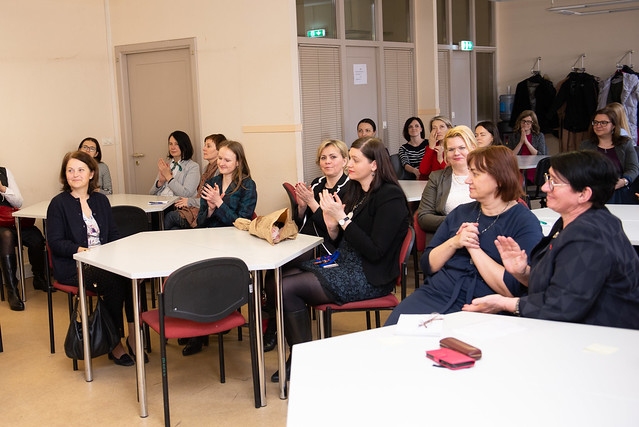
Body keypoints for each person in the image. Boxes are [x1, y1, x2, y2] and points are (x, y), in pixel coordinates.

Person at [271, 137, 410, 382]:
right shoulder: (358, 191)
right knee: (278, 277)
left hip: (370, 275)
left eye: (355, 160)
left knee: (286, 287)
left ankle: (302, 358)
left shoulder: (390, 197)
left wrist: (342, 219)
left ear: (374, 165)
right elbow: (340, 241)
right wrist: (333, 225)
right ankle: (302, 352)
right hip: (346, 262)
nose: (349, 165)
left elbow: (375, 251)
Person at [463, 150, 639, 330]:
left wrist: (504, 303)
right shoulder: (572, 221)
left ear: (584, 194)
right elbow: (562, 282)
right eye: (548, 178)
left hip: (603, 335)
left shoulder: (588, 236)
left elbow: (563, 306)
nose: (545, 187)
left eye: (554, 182)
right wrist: (523, 273)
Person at [385, 146, 543, 324]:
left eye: (475, 174)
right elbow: (428, 264)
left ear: (499, 179)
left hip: (484, 303)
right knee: (394, 327)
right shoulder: (461, 213)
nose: (468, 180)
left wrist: (473, 249)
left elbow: (514, 288)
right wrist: (454, 242)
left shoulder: (523, 222)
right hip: (437, 293)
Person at [47, 151, 143, 366]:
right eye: (70, 170)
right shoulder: (58, 204)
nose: (75, 174)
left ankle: (133, 335)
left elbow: (113, 235)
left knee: (132, 276)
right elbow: (55, 241)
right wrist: (80, 250)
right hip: (75, 266)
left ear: (91, 173)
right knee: (114, 281)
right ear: (65, 174)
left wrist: (118, 253)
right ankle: (115, 344)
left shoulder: (100, 200)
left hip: (104, 262)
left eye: (80, 170)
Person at [262, 139, 350, 353]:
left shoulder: (349, 187)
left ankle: (276, 327)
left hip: (329, 248)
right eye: (323, 158)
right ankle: (275, 324)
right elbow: (303, 222)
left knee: (279, 266)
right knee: (274, 270)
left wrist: (312, 202)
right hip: (306, 241)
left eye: (333, 157)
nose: (327, 162)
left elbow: (333, 229)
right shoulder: (317, 183)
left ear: (345, 160)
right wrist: (301, 207)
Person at [181, 140, 257, 356]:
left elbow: (242, 222)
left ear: (238, 162)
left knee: (209, 275)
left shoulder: (247, 185)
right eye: (220, 158)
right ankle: (198, 327)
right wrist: (210, 209)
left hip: (235, 244)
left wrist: (220, 204)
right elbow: (201, 221)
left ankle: (203, 329)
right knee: (192, 273)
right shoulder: (211, 182)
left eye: (227, 160)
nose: (222, 163)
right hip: (209, 240)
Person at [416, 126, 478, 236]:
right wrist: (456, 221)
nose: (456, 153)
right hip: (447, 237)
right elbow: (423, 217)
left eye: (462, 148)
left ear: (473, 147)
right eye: (451, 149)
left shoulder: (489, 176)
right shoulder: (437, 177)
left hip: (481, 235)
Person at [0, 166, 46, 310]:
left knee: (36, 237)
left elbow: (18, 202)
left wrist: (3, 189)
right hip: (1, 227)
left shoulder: (4, 172)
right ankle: (12, 291)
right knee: (6, 236)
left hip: (10, 219)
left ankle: (38, 278)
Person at [163, 133, 226, 230]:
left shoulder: (218, 170)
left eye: (208, 146)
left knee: (170, 216)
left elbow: (209, 198)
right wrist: (160, 181)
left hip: (206, 210)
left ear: (219, 150)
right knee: (174, 229)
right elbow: (152, 192)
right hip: (195, 205)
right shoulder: (206, 168)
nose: (204, 149)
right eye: (170, 144)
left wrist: (189, 201)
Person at [580, 106, 639, 204]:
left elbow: (633, 169)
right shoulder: (585, 145)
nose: (598, 126)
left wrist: (623, 181)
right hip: (593, 191)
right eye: (596, 122)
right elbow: (580, 169)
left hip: (620, 190)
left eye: (603, 122)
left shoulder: (625, 144)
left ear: (613, 125)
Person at [149, 130, 200, 198]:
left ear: (184, 146)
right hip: (160, 201)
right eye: (170, 144)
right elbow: (151, 194)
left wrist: (168, 176)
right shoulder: (167, 165)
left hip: (176, 203)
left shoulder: (193, 167)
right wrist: (160, 182)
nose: (172, 147)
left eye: (176, 144)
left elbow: (186, 194)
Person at [509, 110, 547, 184]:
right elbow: (510, 155)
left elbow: (541, 155)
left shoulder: (539, 136)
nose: (525, 124)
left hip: (534, 167)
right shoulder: (513, 136)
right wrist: (521, 142)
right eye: (523, 121)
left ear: (533, 123)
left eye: (528, 122)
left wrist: (526, 142)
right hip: (517, 167)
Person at [418, 115, 454, 180]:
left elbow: (451, 174)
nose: (438, 131)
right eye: (434, 128)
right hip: (432, 183)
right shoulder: (431, 148)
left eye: (442, 127)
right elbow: (423, 171)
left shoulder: (454, 148)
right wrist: (431, 147)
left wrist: (440, 160)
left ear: (449, 128)